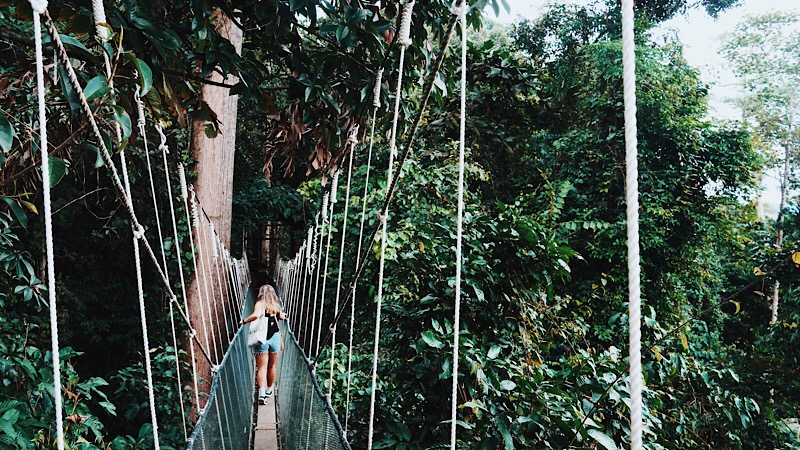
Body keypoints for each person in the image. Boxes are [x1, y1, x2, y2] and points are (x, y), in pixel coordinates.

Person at [240, 284, 286, 405]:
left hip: (262, 338)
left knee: (261, 367)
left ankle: (262, 393)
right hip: (275, 338)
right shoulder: (276, 306)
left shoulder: (260, 304)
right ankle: (269, 390)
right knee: (272, 367)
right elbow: (281, 316)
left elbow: (256, 315)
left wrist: (243, 321)